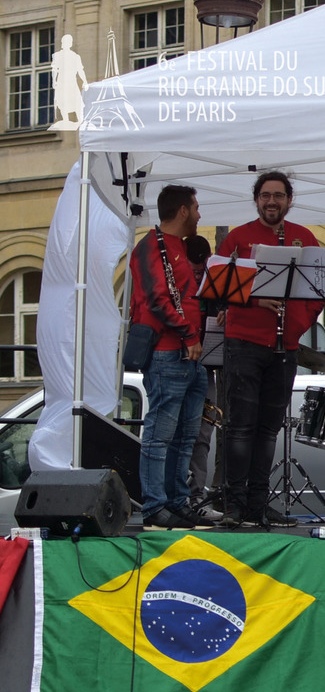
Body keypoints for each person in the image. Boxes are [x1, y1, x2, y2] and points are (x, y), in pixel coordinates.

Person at [216, 171, 325, 527]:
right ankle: (234, 505)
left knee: (267, 431)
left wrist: (296, 325)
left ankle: (258, 506)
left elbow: (319, 291)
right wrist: (255, 299)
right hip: (244, 343)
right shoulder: (237, 238)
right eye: (265, 195)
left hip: (284, 347)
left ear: (289, 200)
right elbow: (219, 287)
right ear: (256, 199)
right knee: (239, 427)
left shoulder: (304, 239)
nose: (272, 202)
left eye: (278, 196)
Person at [128, 185, 209, 531]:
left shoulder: (179, 247)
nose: (199, 214)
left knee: (186, 436)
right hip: (167, 352)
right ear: (183, 211)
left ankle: (177, 501)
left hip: (189, 355)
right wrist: (189, 334)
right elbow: (158, 300)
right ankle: (154, 506)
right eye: (196, 208)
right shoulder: (150, 246)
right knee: (159, 435)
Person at [183, 234, 223, 522]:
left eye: (202, 270)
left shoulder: (217, 283)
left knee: (202, 436)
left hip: (206, 367)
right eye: (194, 270)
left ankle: (197, 495)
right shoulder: (176, 282)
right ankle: (175, 496)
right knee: (176, 434)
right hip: (179, 363)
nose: (198, 275)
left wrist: (225, 313)